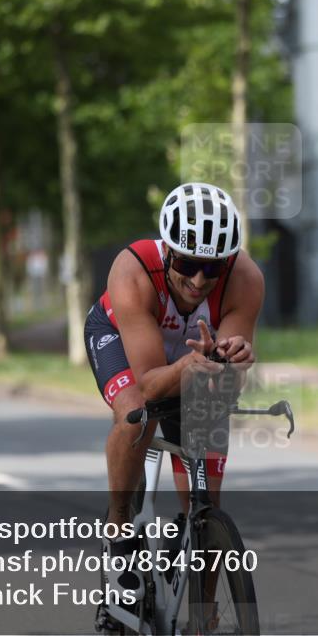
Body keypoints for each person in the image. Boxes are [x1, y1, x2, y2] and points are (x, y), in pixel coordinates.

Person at [84, 182, 263, 604]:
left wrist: (232, 362)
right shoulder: (133, 269)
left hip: (191, 356)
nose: (200, 280)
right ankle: (119, 531)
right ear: (167, 251)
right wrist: (185, 367)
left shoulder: (245, 279)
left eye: (213, 268)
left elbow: (224, 387)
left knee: (207, 502)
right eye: (187, 263)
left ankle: (204, 612)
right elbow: (148, 383)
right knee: (136, 414)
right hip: (123, 341)